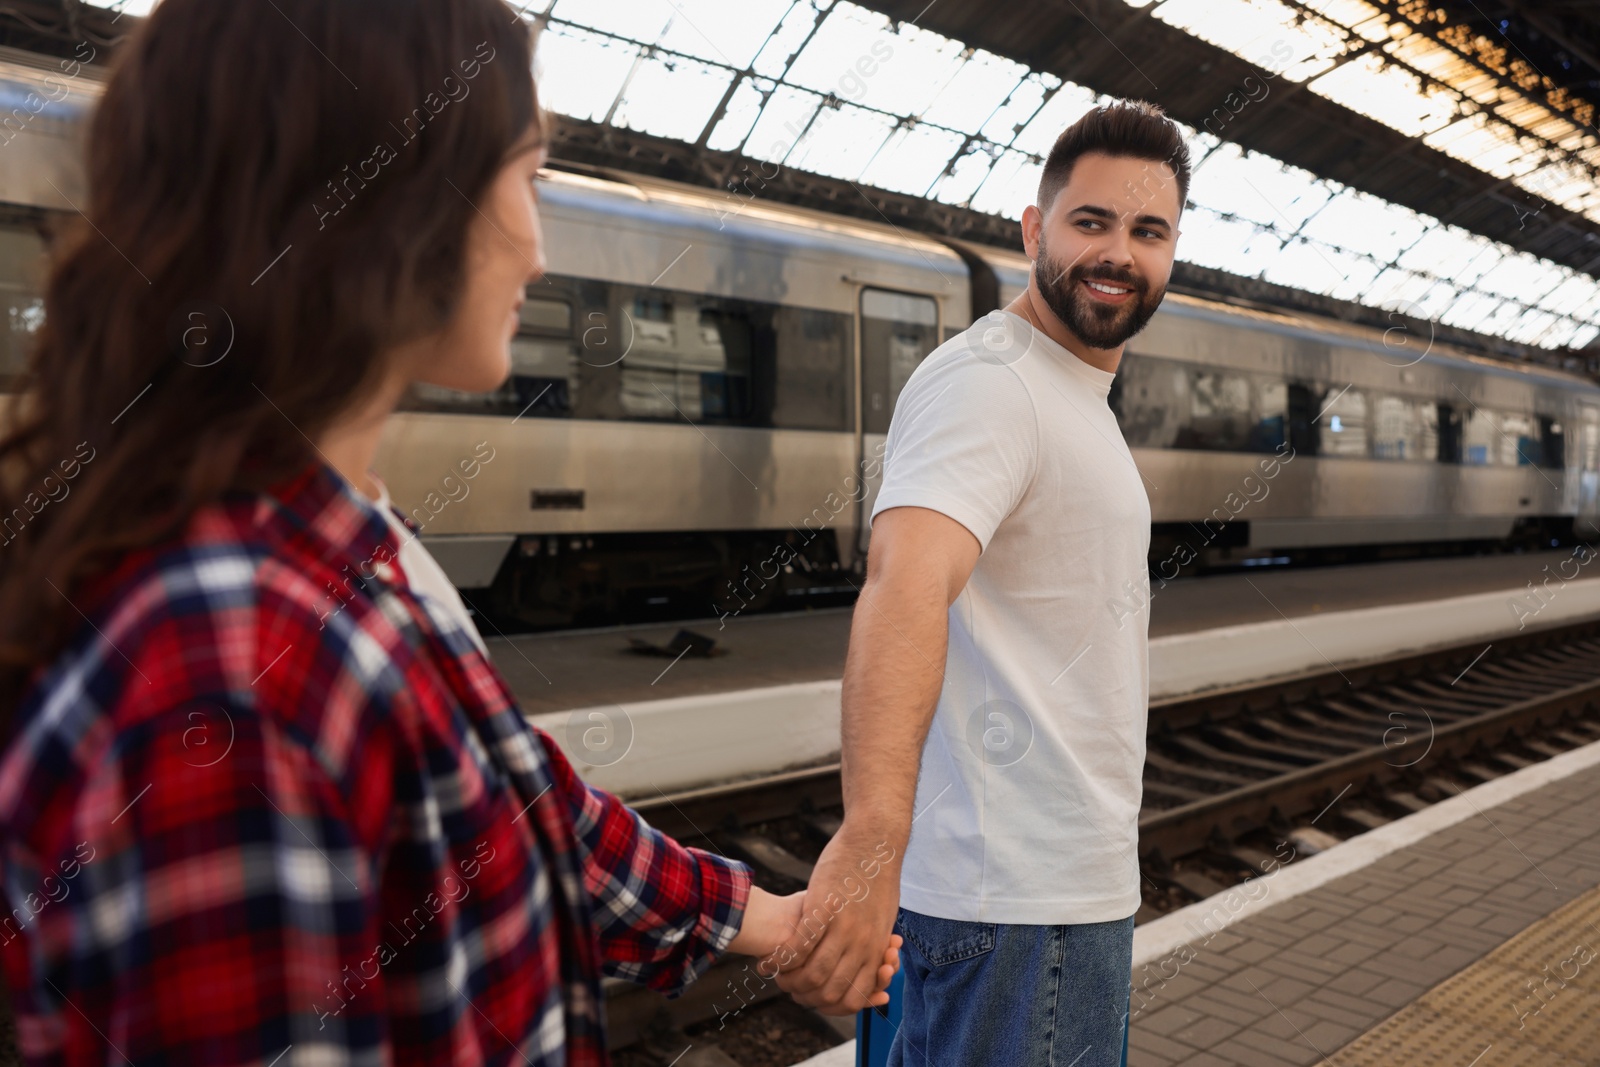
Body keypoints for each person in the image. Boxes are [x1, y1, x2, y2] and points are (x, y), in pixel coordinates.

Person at [0, 3, 896, 1064]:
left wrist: (774, 919)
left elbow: (509, 807)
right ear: (390, 208)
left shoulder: (344, 544)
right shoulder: (233, 672)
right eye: (526, 177)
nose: (540, 245)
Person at [775, 102, 1190, 1065]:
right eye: (1091, 221)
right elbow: (904, 588)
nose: (1119, 252)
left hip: (1037, 901)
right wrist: (874, 837)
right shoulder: (994, 384)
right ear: (1032, 228)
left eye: (1148, 231)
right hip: (1019, 910)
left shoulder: (1065, 389)